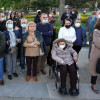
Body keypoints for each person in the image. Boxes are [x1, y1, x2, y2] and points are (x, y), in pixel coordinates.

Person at [89, 19, 100, 94]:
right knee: (94, 70)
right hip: (97, 54)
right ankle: (93, 84)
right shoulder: (96, 31)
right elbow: (98, 43)